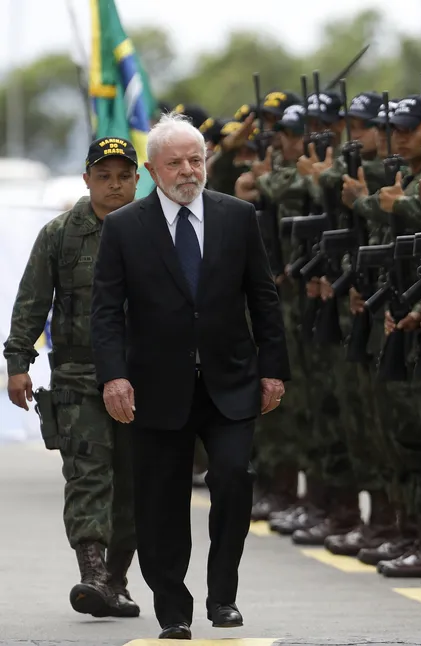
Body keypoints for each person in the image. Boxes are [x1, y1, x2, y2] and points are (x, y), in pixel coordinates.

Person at [89, 113, 290, 640]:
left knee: (233, 477)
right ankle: (172, 607)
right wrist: (114, 377)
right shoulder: (125, 227)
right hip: (155, 387)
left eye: (195, 160)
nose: (188, 171)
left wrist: (273, 370)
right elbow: (107, 312)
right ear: (153, 169)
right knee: (161, 500)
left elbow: (263, 299)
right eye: (175, 162)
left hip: (231, 382)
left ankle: (222, 594)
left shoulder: (237, 217)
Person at [4, 137, 142, 620]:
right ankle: (93, 573)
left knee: (133, 481)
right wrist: (17, 363)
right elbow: (31, 301)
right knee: (87, 474)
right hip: (78, 373)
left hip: (140, 375)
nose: (114, 185)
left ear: (137, 180)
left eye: (123, 175)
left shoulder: (154, 231)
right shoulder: (60, 234)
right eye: (104, 175)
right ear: (87, 180)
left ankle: (117, 581)